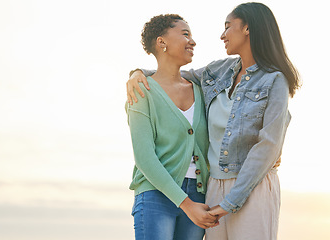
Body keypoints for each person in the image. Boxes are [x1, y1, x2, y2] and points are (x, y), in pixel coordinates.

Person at [126, 3, 301, 240]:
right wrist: (137, 72)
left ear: (248, 29)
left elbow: (269, 144)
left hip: (243, 187)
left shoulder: (274, 80)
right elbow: (170, 75)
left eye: (228, 27)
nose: (222, 35)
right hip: (208, 189)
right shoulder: (218, 72)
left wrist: (231, 201)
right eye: (185, 34)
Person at [125, 14, 218, 240]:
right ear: (161, 42)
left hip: (198, 194)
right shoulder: (141, 91)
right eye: (185, 34)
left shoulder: (201, 90)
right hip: (155, 196)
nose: (192, 42)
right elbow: (144, 158)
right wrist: (186, 204)